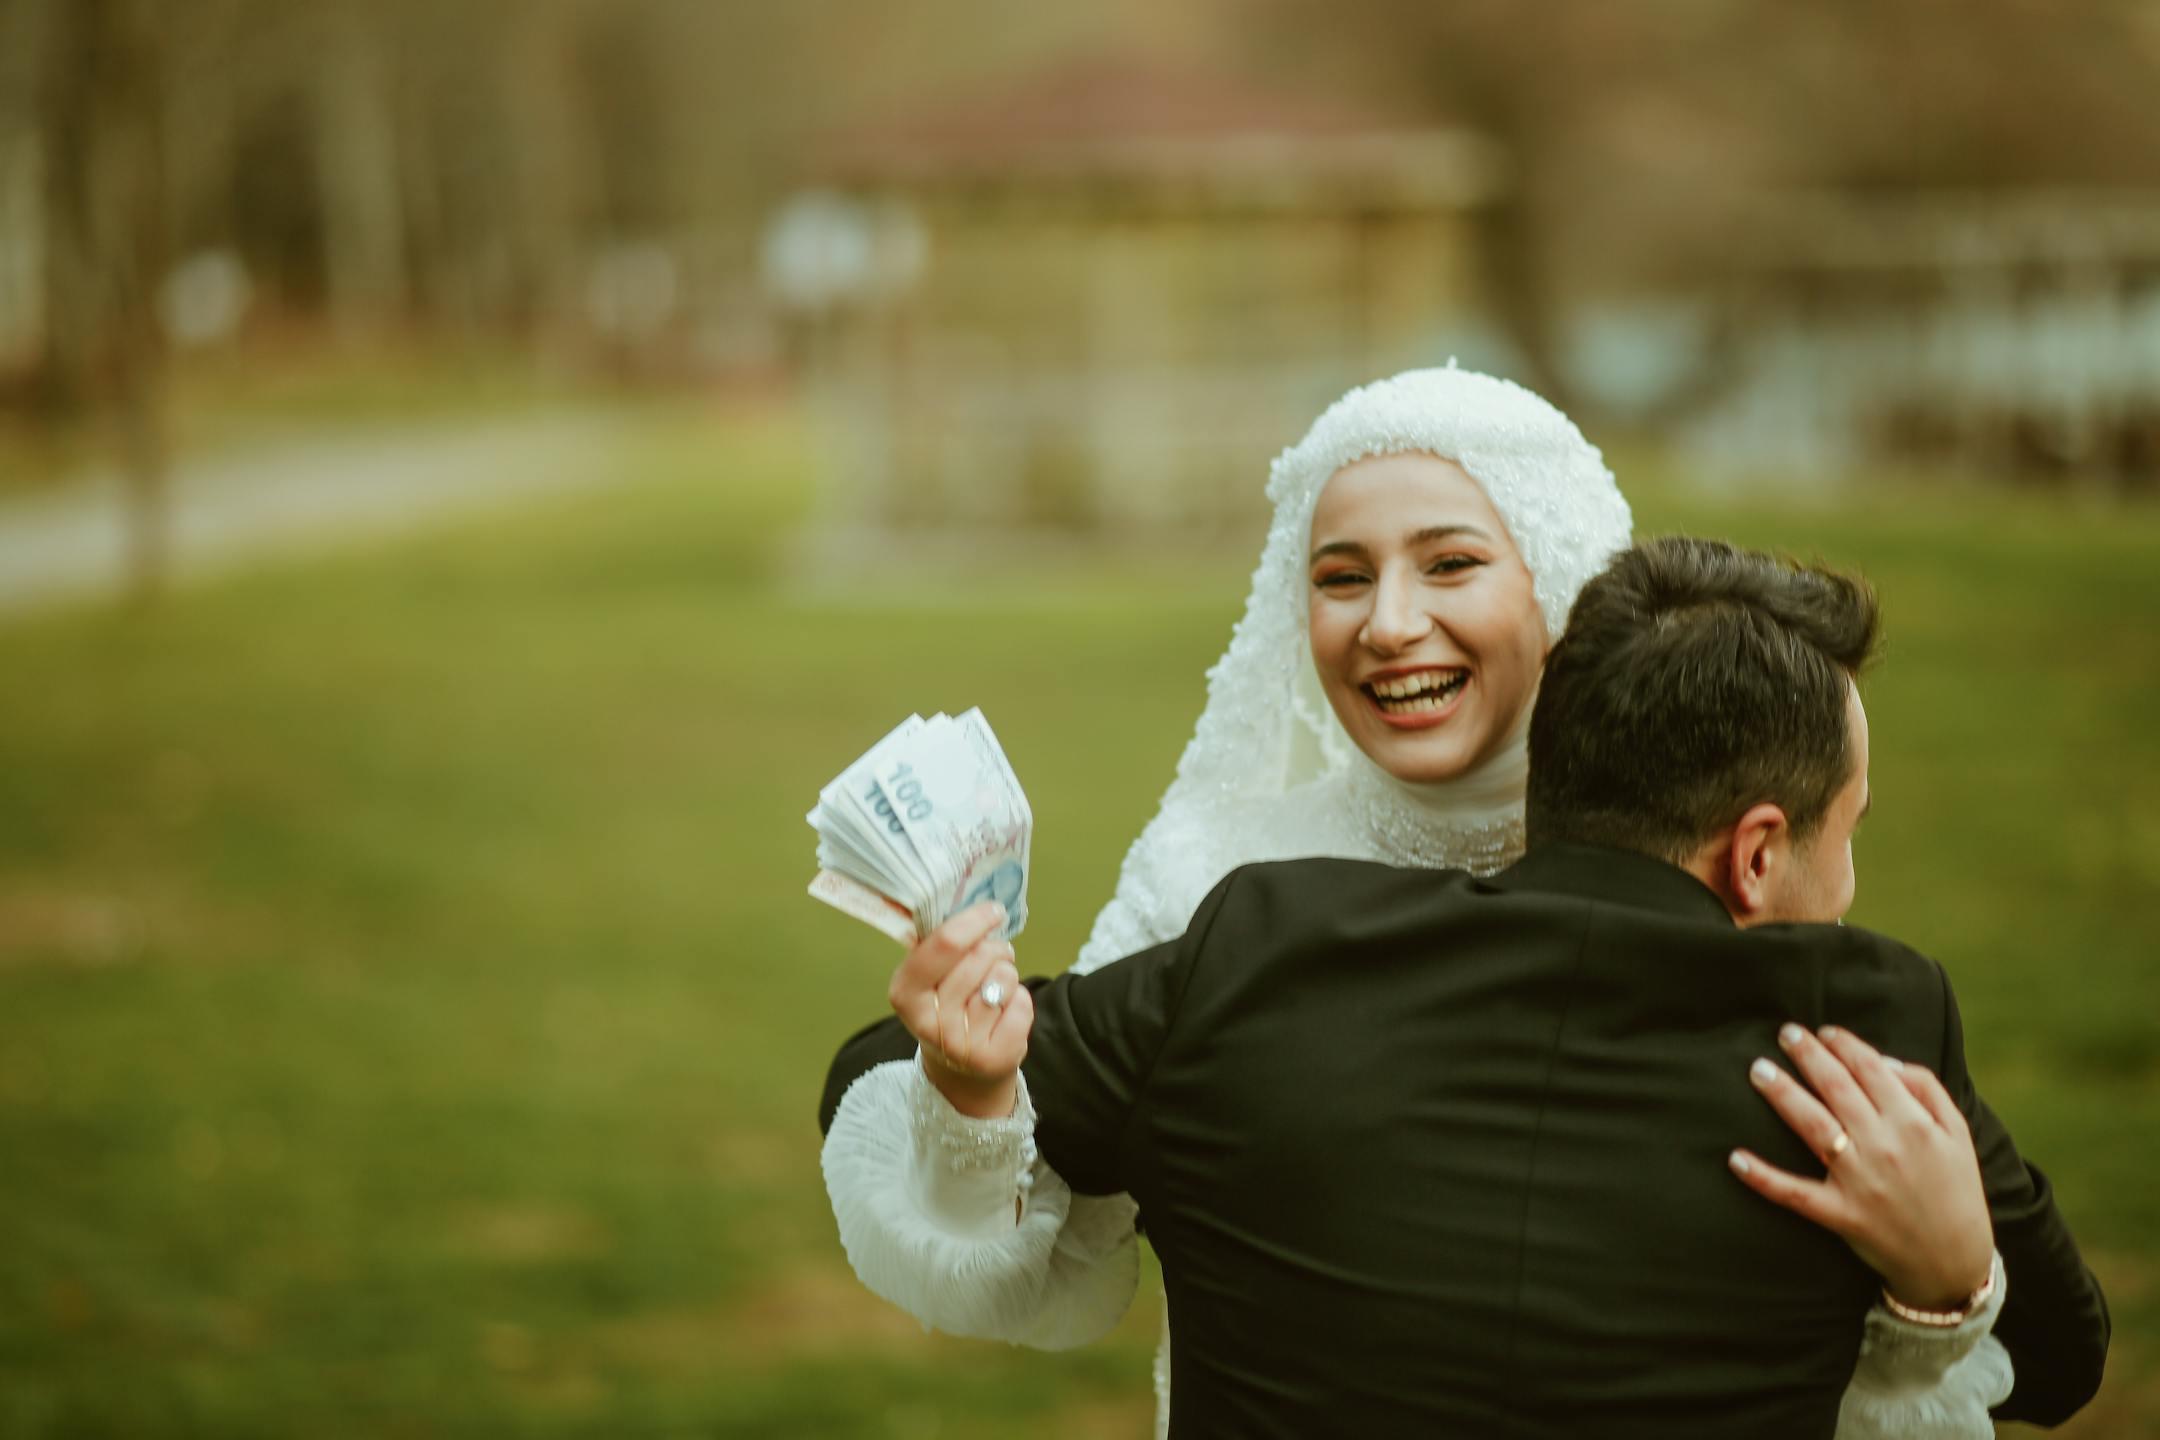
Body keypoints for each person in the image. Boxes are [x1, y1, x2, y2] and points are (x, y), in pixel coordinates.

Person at [812, 371, 2068, 1429]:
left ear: (1562, 587)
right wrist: (967, 1081)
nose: (1389, 625)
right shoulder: (1223, 889)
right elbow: (1022, 1163)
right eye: (1342, 578)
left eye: (1453, 563)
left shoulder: (1721, 807)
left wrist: (1948, 1281)